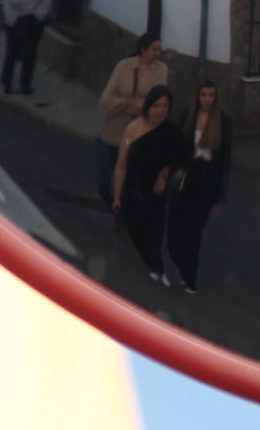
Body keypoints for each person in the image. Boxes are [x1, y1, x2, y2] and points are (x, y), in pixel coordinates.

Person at [165, 80, 232, 295]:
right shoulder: (188, 115)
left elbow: (226, 161)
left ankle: (189, 278)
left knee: (193, 236)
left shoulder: (223, 120)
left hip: (205, 188)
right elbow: (176, 147)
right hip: (184, 182)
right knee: (174, 235)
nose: (207, 99)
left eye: (211, 94)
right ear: (197, 96)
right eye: (203, 94)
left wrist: (221, 197)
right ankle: (183, 267)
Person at [112, 85, 180, 285]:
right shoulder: (133, 129)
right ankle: (149, 264)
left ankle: (157, 268)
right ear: (149, 106)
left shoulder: (171, 131)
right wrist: (117, 196)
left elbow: (178, 163)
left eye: (165, 106)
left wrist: (166, 178)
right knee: (138, 230)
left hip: (156, 192)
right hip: (134, 191)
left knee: (156, 232)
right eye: (157, 105)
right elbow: (121, 166)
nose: (161, 110)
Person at [94, 33, 168, 209]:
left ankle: (122, 216)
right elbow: (105, 101)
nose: (157, 54)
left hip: (137, 138)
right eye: (154, 49)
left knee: (128, 184)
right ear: (142, 49)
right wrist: (133, 103)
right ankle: (112, 206)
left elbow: (154, 103)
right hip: (111, 134)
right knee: (103, 183)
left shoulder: (160, 70)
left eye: (159, 50)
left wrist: (122, 103)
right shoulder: (124, 66)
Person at [0, 0, 51, 96]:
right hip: (15, 23)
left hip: (33, 23)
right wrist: (13, 20)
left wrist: (36, 17)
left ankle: (25, 84)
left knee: (30, 55)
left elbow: (45, 1)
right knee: (12, 53)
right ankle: (7, 82)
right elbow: (7, 4)